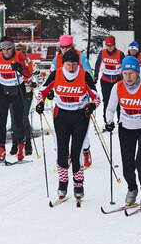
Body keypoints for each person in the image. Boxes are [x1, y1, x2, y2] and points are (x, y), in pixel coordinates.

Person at [36, 49, 100, 200]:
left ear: (78, 64)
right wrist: (40, 103)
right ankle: (63, 183)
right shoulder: (56, 74)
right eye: (68, 64)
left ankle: (78, 185)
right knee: (62, 152)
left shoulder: (84, 75)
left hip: (80, 116)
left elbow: (96, 97)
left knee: (76, 152)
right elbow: (42, 91)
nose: (71, 68)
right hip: (61, 116)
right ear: (63, 64)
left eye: (74, 64)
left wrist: (91, 106)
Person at [105, 56, 141, 207]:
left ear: (137, 73)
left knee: (140, 163)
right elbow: (110, 109)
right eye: (125, 73)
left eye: (131, 73)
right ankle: (132, 189)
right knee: (127, 166)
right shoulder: (117, 87)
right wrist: (109, 121)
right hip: (126, 128)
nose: (128, 77)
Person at [0, 36, 31, 162]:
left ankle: (20, 148)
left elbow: (28, 73)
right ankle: (1, 149)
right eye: (4, 49)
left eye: (9, 49)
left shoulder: (20, 56)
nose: (6, 51)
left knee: (18, 120)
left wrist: (20, 68)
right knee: (2, 120)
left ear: (13, 47)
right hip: (3, 89)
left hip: (18, 89)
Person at [51, 34, 94, 168]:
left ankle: (85, 151)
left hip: (80, 98)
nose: (64, 50)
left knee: (80, 131)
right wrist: (51, 91)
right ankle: (64, 157)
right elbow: (51, 76)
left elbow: (89, 75)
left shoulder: (81, 57)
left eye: (67, 47)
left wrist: (89, 95)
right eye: (62, 47)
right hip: (64, 99)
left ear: (72, 46)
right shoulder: (56, 59)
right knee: (61, 134)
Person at [9, 42, 35, 156]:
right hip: (13, 93)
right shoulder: (11, 63)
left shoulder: (30, 63)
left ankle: (28, 144)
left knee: (23, 117)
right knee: (14, 119)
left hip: (26, 93)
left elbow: (39, 78)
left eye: (22, 53)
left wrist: (34, 84)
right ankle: (15, 143)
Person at [94, 36, 125, 115]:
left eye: (111, 45)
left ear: (114, 45)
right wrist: (96, 76)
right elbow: (97, 64)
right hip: (105, 80)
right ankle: (107, 120)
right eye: (108, 45)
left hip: (117, 80)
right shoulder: (102, 52)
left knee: (118, 101)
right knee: (106, 101)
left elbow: (124, 66)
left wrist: (122, 76)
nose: (109, 47)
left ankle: (120, 119)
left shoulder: (120, 54)